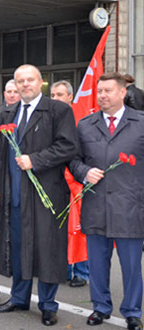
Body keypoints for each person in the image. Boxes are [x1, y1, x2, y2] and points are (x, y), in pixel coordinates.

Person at [0, 64, 77, 326]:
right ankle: (18, 298)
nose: (25, 84)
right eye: (20, 81)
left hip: (46, 195)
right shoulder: (9, 112)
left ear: (41, 82)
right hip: (14, 195)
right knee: (18, 249)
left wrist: (35, 160)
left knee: (46, 250)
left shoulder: (58, 110)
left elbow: (68, 146)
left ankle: (48, 305)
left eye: (30, 80)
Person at [70, 72, 144, 330]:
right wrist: (83, 173)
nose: (101, 96)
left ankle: (133, 311)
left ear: (122, 92)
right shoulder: (86, 125)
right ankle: (100, 307)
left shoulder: (140, 123)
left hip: (130, 207)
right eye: (99, 91)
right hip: (96, 205)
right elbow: (74, 160)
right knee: (98, 265)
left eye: (107, 91)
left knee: (132, 266)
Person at [50, 80, 89, 288]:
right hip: (54, 183)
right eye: (53, 95)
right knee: (58, 228)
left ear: (70, 97)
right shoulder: (47, 120)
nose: (55, 98)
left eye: (60, 95)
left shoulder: (80, 122)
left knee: (78, 228)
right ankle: (62, 268)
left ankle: (82, 272)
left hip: (76, 183)